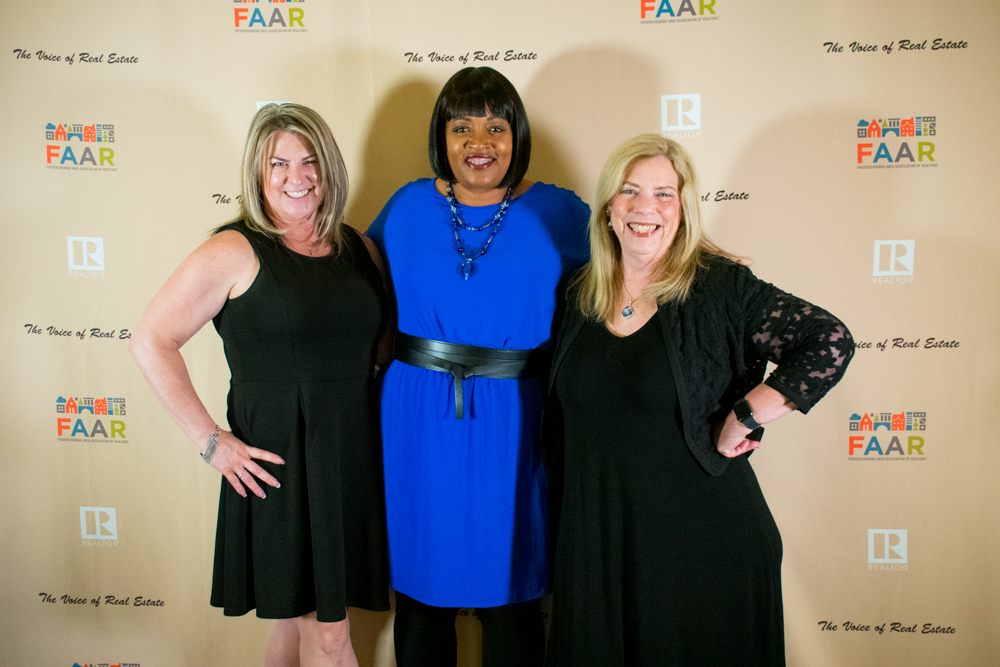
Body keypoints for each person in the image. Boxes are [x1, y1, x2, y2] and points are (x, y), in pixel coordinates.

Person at [543, 134, 854, 666]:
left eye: (664, 193)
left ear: (683, 209)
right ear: (609, 208)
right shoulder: (578, 294)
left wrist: (746, 415)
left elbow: (829, 340)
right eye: (629, 191)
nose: (645, 207)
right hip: (600, 548)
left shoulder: (720, 286)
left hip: (703, 553)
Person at [129, 103, 390, 667]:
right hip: (281, 468)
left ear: (329, 166)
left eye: (310, 160)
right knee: (329, 637)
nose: (298, 177)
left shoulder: (360, 249)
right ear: (257, 172)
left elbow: (377, 351)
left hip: (351, 460)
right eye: (279, 164)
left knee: (292, 629)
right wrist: (210, 442)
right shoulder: (234, 249)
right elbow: (150, 339)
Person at [365, 67, 590, 667]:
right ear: (441, 138)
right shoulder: (407, 206)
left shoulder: (561, 212)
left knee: (513, 591)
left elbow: (634, 271)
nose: (479, 143)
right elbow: (352, 286)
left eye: (496, 127)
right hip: (416, 415)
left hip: (518, 416)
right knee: (420, 595)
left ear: (518, 135)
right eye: (461, 127)